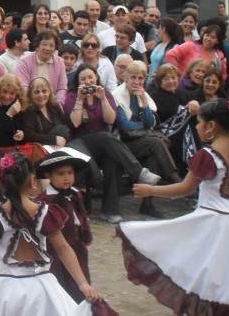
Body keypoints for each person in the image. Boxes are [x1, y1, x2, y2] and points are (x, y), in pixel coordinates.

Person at [118, 98, 229, 315]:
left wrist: (151, 190)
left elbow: (184, 189)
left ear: (211, 126)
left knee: (206, 275)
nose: (196, 126)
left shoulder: (208, 156)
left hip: (215, 226)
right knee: (228, 278)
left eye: (199, 122)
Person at [0, 152, 110, 316]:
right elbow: (63, 248)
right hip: (43, 290)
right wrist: (83, 284)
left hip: (7, 292)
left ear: (1, 183)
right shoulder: (45, 213)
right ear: (32, 181)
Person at [63, 65, 160, 223]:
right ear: (78, 81)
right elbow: (75, 123)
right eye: (83, 79)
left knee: (112, 161)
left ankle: (110, 210)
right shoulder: (73, 96)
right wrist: (81, 99)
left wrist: (102, 98)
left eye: (90, 77)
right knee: (105, 136)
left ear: (96, 78)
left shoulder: (105, 94)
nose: (88, 81)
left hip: (104, 145)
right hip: (82, 143)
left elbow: (110, 120)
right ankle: (138, 172)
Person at [112, 61, 180, 216]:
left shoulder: (143, 95)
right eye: (133, 77)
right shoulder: (117, 96)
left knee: (153, 155)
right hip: (122, 144)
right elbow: (124, 125)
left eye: (140, 78)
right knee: (155, 142)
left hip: (140, 140)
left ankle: (147, 204)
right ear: (126, 78)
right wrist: (141, 124)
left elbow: (150, 123)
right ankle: (176, 181)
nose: (137, 82)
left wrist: (143, 100)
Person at [34, 151, 94, 303]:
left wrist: (84, 234)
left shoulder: (76, 194)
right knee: (59, 283)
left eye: (70, 173)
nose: (67, 178)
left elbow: (81, 216)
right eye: (61, 174)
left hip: (77, 246)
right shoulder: (45, 200)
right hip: (54, 249)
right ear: (49, 176)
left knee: (80, 280)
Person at [15, 30, 69, 104]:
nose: (47, 48)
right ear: (37, 46)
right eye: (44, 44)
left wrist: (57, 105)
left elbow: (62, 88)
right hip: (30, 105)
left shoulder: (59, 62)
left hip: (53, 104)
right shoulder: (25, 61)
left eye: (51, 45)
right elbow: (23, 87)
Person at [0, 74, 27, 152]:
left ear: (17, 94)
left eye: (12, 93)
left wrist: (21, 134)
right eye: (4, 92)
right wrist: (9, 115)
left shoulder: (18, 104)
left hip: (14, 149)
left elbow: (22, 129)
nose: (7, 96)